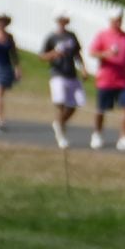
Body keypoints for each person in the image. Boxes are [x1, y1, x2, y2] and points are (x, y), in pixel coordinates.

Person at [88, 8, 125, 151]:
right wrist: (106, 54)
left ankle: (124, 137)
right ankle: (97, 134)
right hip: (106, 79)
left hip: (124, 80)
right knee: (101, 109)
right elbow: (92, 52)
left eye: (120, 19)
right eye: (115, 19)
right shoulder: (102, 35)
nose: (118, 22)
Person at [41, 9, 86, 150]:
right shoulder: (51, 37)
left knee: (76, 103)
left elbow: (77, 54)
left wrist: (83, 68)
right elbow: (42, 56)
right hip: (57, 73)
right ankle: (61, 136)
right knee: (60, 102)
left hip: (71, 73)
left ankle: (58, 124)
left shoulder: (72, 36)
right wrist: (54, 54)